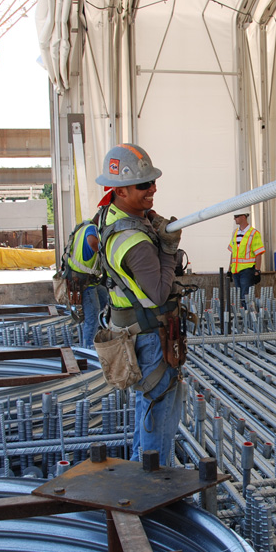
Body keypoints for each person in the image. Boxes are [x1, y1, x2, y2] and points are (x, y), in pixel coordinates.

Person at [96, 144, 185, 466]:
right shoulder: (134, 242)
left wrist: (147, 216)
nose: (153, 189)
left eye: (152, 182)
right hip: (149, 333)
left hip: (131, 328)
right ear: (119, 190)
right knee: (159, 406)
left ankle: (141, 466)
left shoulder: (111, 215)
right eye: (144, 185)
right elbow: (160, 292)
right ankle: (154, 476)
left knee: (148, 403)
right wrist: (168, 247)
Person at [62, 213, 108, 349]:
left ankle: (100, 336)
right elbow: (93, 242)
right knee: (92, 317)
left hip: (90, 280)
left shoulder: (82, 226)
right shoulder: (91, 228)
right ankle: (88, 350)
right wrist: (105, 252)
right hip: (83, 282)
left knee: (105, 301)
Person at [227, 207, 265, 307]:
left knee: (246, 297)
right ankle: (245, 318)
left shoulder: (254, 233)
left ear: (243, 216)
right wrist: (229, 269)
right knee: (240, 297)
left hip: (247, 271)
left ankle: (249, 319)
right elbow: (233, 252)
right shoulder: (235, 233)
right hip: (236, 271)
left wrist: (257, 271)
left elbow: (258, 253)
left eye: (236, 216)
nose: (234, 219)